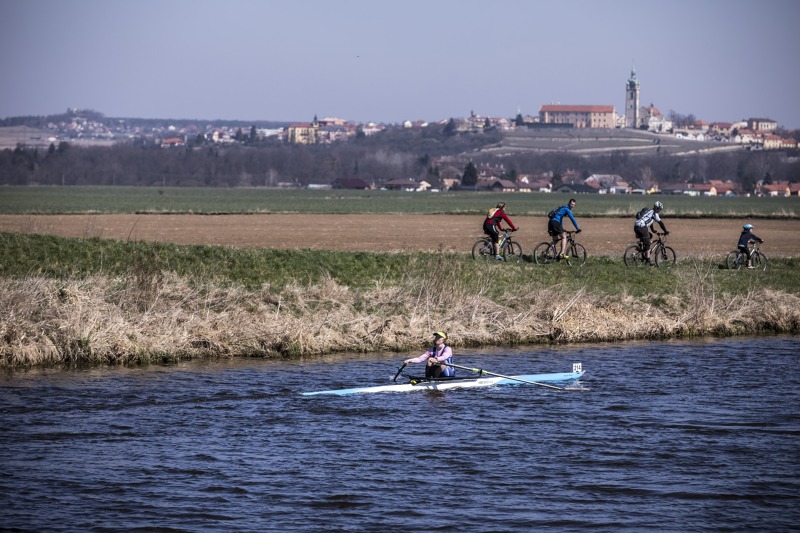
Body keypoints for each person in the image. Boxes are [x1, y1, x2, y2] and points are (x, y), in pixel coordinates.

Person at [634, 201, 669, 266]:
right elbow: (660, 223)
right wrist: (665, 231)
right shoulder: (655, 214)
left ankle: (642, 251)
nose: (659, 211)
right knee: (647, 242)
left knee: (650, 236)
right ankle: (648, 260)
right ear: (658, 209)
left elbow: (650, 222)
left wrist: (653, 230)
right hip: (642, 227)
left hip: (636, 226)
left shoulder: (649, 211)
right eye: (660, 209)